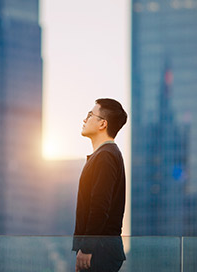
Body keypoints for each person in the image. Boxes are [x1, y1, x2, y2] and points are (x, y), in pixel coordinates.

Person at [73, 98, 128, 272]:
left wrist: (87, 248)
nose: (84, 119)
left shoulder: (106, 156)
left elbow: (99, 206)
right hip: (100, 248)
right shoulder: (105, 155)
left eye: (90, 115)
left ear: (102, 124)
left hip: (100, 250)